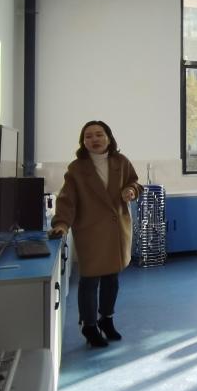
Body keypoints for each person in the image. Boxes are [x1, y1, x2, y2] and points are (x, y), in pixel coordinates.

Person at [50, 120, 142, 348]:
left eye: (99, 134)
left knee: (112, 279)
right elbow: (67, 199)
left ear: (109, 137)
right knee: (89, 280)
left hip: (117, 230)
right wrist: (61, 223)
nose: (94, 139)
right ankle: (89, 326)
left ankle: (106, 319)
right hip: (91, 230)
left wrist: (131, 190)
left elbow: (135, 182)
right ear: (83, 142)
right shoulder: (77, 168)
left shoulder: (121, 162)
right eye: (88, 136)